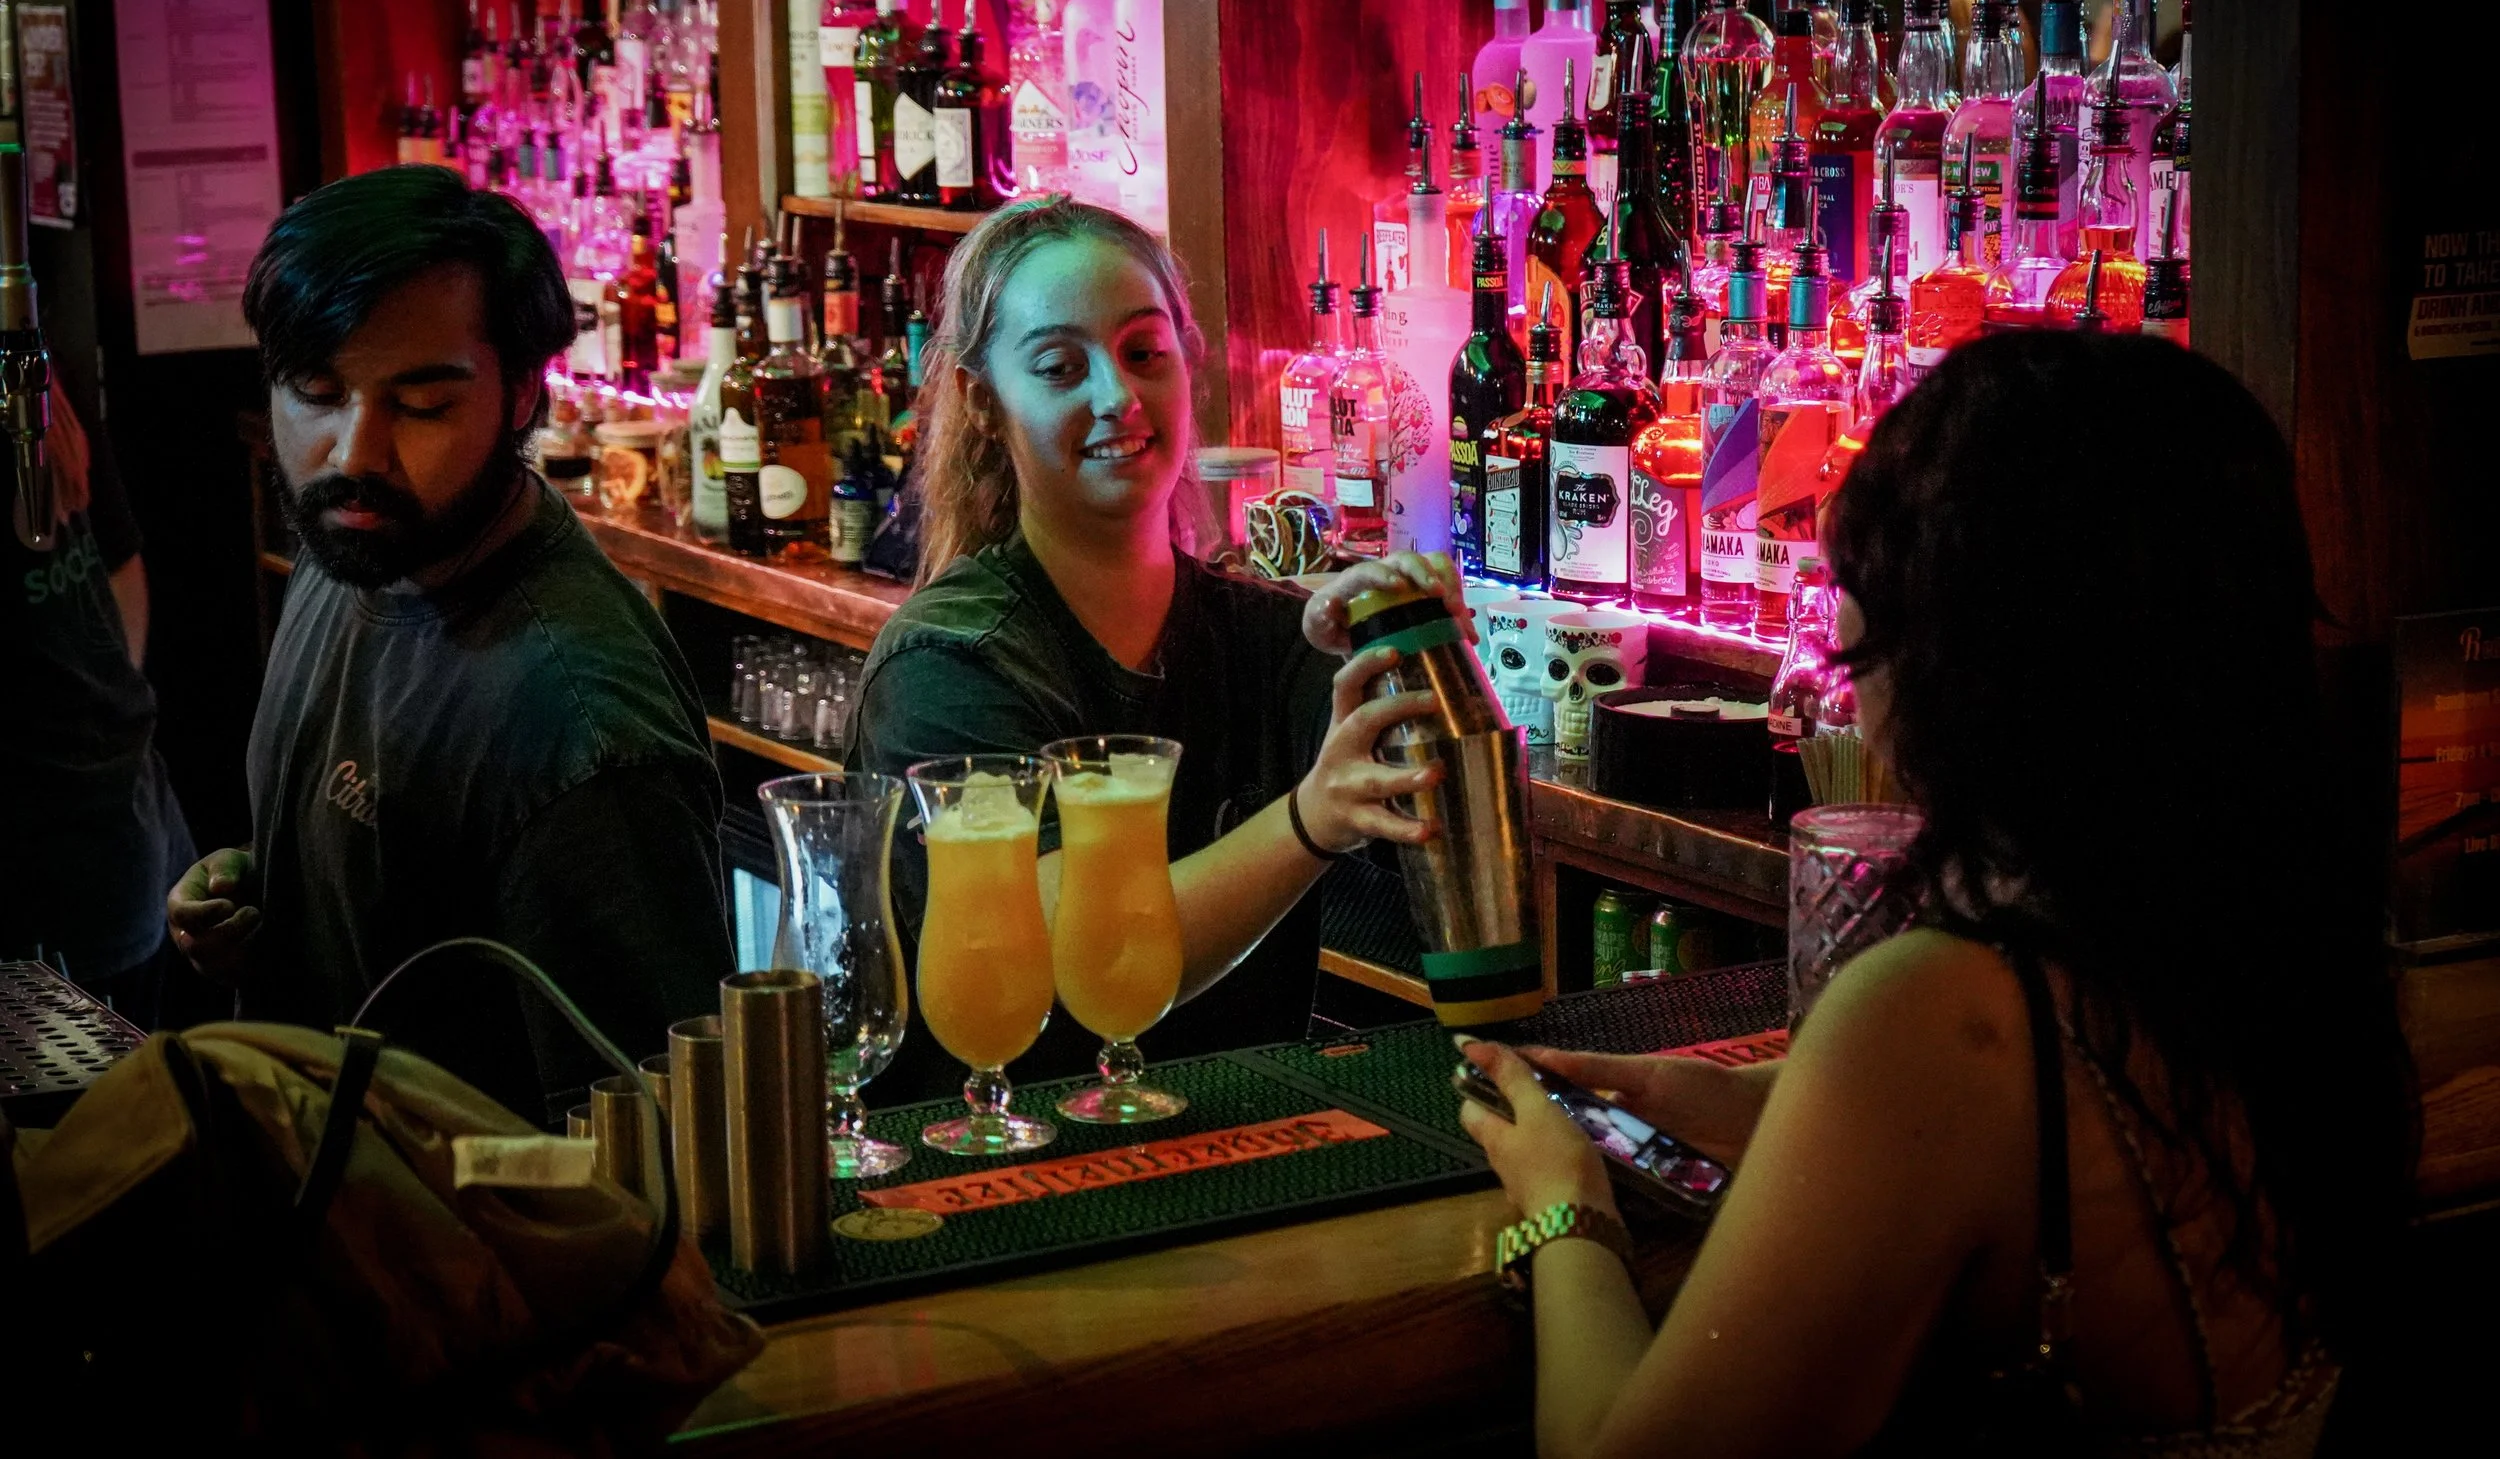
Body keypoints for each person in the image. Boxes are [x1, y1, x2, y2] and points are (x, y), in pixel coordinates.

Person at [1459, 334, 2414, 1456]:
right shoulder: (2279, 939)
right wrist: (1743, 1102)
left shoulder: (1938, 1010)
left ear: (1969, 657)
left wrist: (1565, 1205)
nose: (1839, 644)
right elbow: (2004, 1140)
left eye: (1859, 597)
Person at [848, 197, 1461, 1097]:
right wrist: (1307, 822)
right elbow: (1075, 964)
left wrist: (1422, 646)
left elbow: (1467, 879)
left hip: (1240, 1154)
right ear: (985, 404)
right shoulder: (950, 664)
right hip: (998, 1178)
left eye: (1144, 353)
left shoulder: (1272, 640)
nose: (1117, 396)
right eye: (1061, 366)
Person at [166, 167, 731, 1123]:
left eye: (421, 406)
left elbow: (652, 1151)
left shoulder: (582, 730)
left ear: (520, 396)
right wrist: (266, 898)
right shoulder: (353, 545)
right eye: (314, 390)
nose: (353, 451)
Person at [2, 346, 191, 1024]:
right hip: (118, 831)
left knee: (91, 1123)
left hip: (72, 864)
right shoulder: (26, 359)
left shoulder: (27, 368)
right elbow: (120, 565)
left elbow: (118, 560)